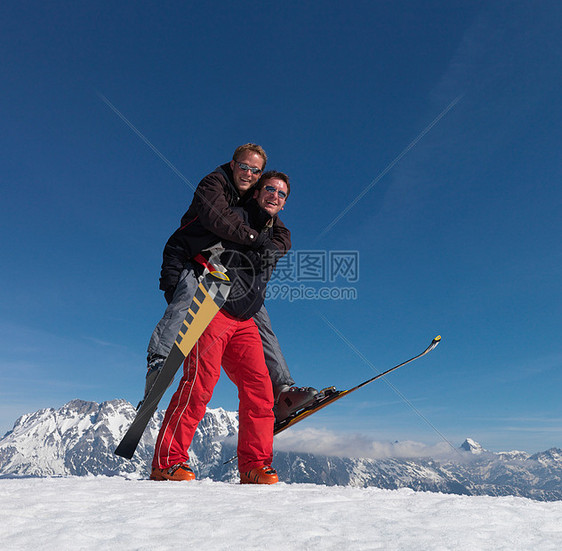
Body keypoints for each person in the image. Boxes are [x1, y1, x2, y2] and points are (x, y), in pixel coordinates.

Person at [144, 144, 316, 421]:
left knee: (261, 320)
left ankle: (283, 389)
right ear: (233, 164)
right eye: (244, 166)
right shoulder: (215, 185)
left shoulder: (254, 201)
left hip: (230, 278)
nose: (248, 174)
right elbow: (215, 218)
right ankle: (159, 360)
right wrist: (258, 242)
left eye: (255, 170)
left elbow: (281, 231)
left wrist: (272, 249)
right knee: (185, 296)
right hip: (190, 256)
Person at [151, 172, 291, 484]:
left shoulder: (275, 237)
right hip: (211, 307)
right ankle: (167, 463)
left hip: (245, 319)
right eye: (269, 189)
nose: (275, 196)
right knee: (200, 384)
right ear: (256, 193)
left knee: (260, 391)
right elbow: (182, 242)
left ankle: (254, 466)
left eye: (281, 194)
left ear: (283, 204)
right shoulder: (233, 218)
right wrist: (174, 284)